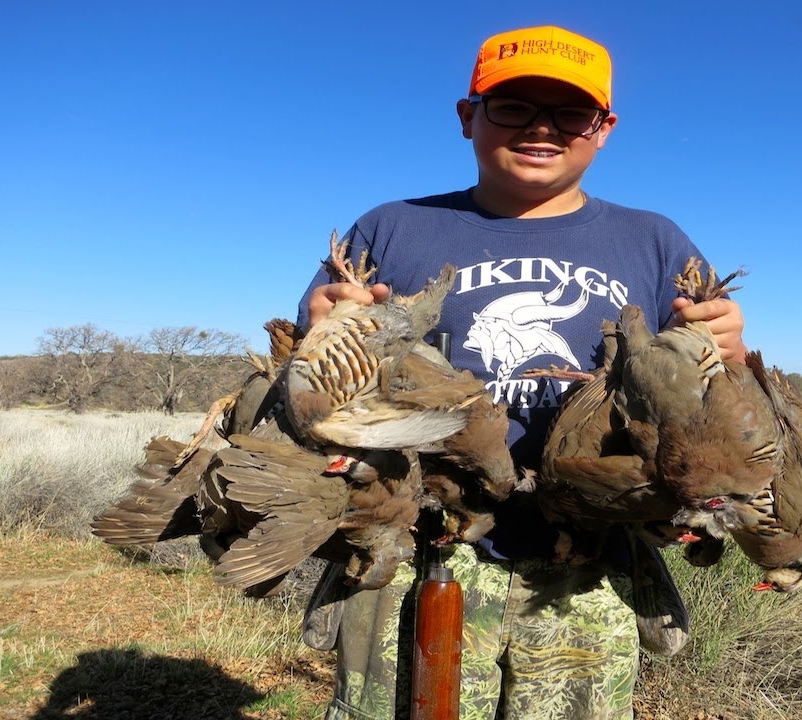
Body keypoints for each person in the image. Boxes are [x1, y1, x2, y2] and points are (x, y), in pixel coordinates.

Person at [296, 25, 747, 720]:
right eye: (513, 106)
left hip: (588, 559)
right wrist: (320, 333)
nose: (542, 128)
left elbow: (710, 399)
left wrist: (729, 352)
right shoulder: (391, 230)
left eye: (570, 113)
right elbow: (308, 385)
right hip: (414, 547)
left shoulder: (655, 241)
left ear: (604, 129)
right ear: (467, 115)